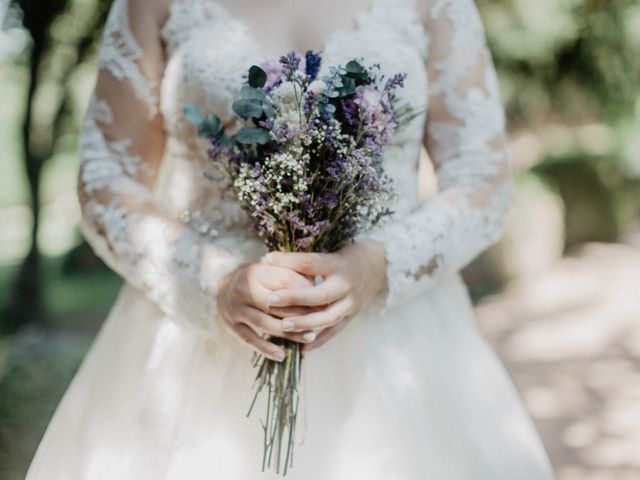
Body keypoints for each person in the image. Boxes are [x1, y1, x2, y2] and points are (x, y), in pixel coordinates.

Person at [25, 0, 556, 478]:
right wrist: (213, 281)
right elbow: (105, 177)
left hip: (401, 344)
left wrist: (380, 263)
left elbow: (482, 178)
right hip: (200, 348)